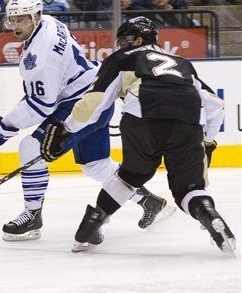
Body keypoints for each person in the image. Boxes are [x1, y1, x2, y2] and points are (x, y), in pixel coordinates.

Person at [0, 0, 167, 242]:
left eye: (21, 20)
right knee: (96, 164)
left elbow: (41, 105)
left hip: (83, 104)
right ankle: (147, 200)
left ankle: (32, 215)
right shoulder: (48, 22)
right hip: (96, 92)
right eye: (12, 20)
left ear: (36, 16)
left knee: (31, 147)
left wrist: (2, 128)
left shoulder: (40, 59)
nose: (15, 26)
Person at [40, 16, 236, 254]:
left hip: (142, 115)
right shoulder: (182, 63)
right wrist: (207, 141)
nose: (120, 46)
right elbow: (216, 106)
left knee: (128, 177)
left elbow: (94, 101)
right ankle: (209, 214)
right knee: (189, 188)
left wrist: (67, 129)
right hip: (188, 120)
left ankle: (90, 226)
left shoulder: (120, 59)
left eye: (124, 40)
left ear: (139, 39)